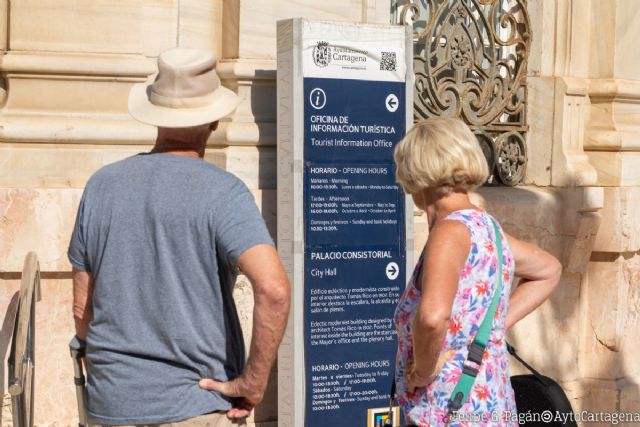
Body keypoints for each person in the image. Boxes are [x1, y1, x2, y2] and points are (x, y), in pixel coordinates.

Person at [68, 48, 291, 426]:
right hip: (194, 404)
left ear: (154, 116)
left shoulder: (101, 186)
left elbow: (81, 309)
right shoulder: (225, 193)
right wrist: (254, 383)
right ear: (215, 121)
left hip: (111, 404)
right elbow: (275, 290)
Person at [392, 117, 562, 426]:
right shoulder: (487, 228)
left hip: (448, 410)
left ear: (418, 173)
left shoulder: (449, 232)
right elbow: (549, 269)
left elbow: (432, 318)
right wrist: (492, 327)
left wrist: (422, 371)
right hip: (491, 402)